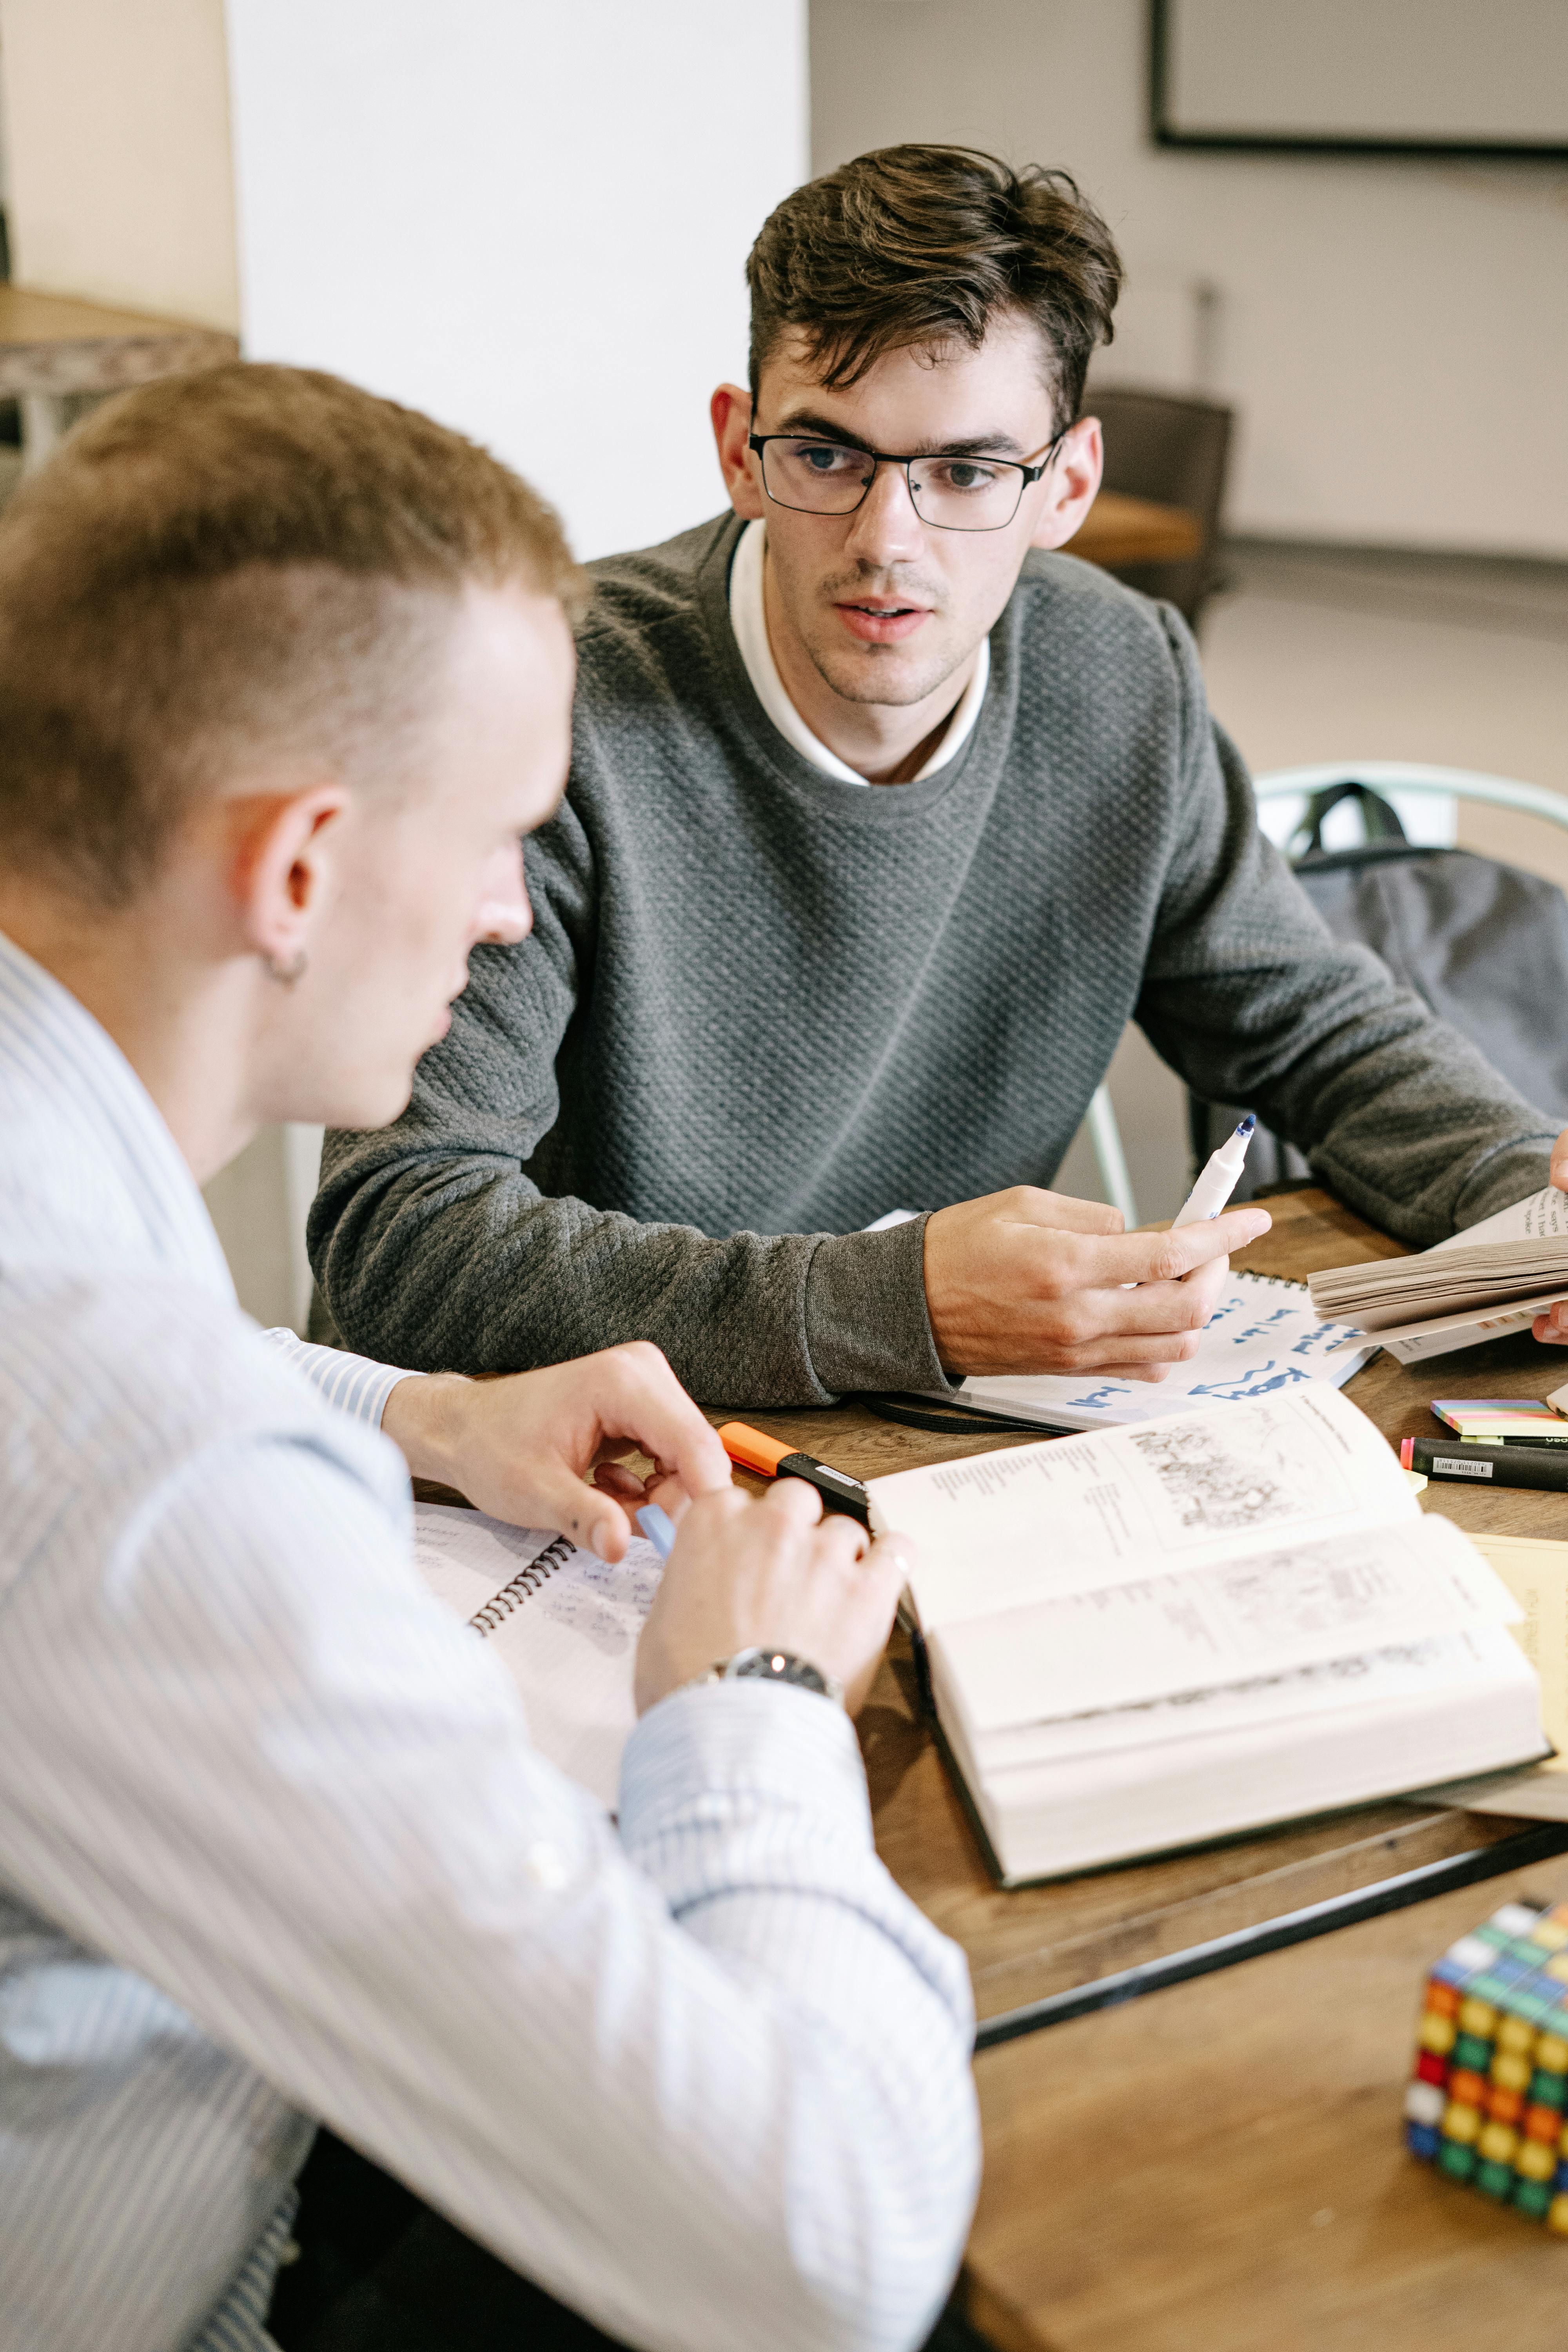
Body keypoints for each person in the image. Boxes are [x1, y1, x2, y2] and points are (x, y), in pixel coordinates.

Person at [0, 365, 978, 2352]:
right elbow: (825, 2251)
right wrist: (754, 1696)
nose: (510, 907)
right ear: (293, 874)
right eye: (496, 837)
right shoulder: (133, 1466)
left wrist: (421, 1412)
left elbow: (132, 1362)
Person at [309, 144, 1568, 1406]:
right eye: (827, 456)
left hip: (941, 1451)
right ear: (740, 450)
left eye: (966, 472)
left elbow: (1310, 1027)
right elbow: (401, 1238)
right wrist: (902, 1300)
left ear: (1066, 485)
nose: (886, 541)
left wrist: (1527, 1193)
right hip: (575, 1481)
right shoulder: (542, 709)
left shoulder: (1120, 672)